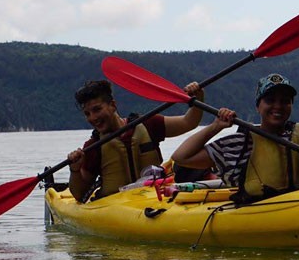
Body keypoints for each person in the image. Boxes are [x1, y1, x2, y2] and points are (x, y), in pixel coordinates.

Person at [171, 73, 299, 202]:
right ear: (258, 106)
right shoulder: (238, 144)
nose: (278, 106)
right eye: (270, 100)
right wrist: (215, 126)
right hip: (253, 215)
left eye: (285, 101)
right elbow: (182, 157)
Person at [67, 79, 204, 201]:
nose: (92, 118)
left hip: (155, 198)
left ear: (113, 105)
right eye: (87, 114)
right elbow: (79, 195)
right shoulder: (93, 146)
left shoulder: (149, 124)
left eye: (97, 109)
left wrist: (198, 98)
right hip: (116, 207)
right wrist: (75, 170)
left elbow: (189, 122)